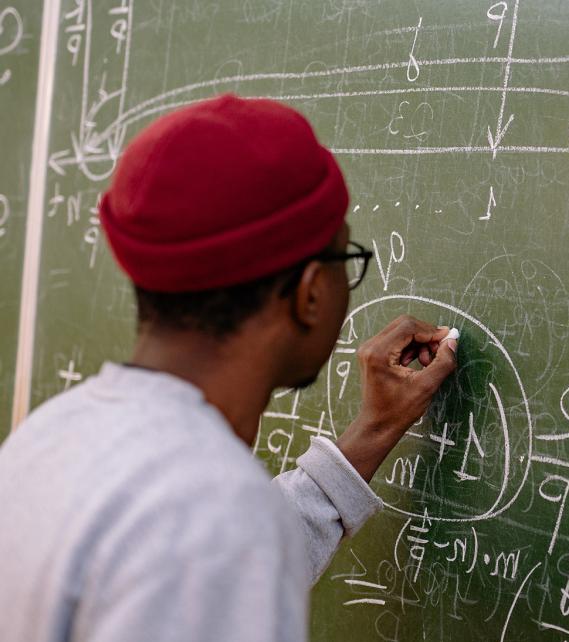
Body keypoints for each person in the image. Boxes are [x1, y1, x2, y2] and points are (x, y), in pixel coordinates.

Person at [0, 94, 456, 641]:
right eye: (345, 258)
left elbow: (194, 555)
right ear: (310, 293)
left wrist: (374, 430)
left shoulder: (51, 437)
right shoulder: (216, 517)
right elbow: (215, 543)